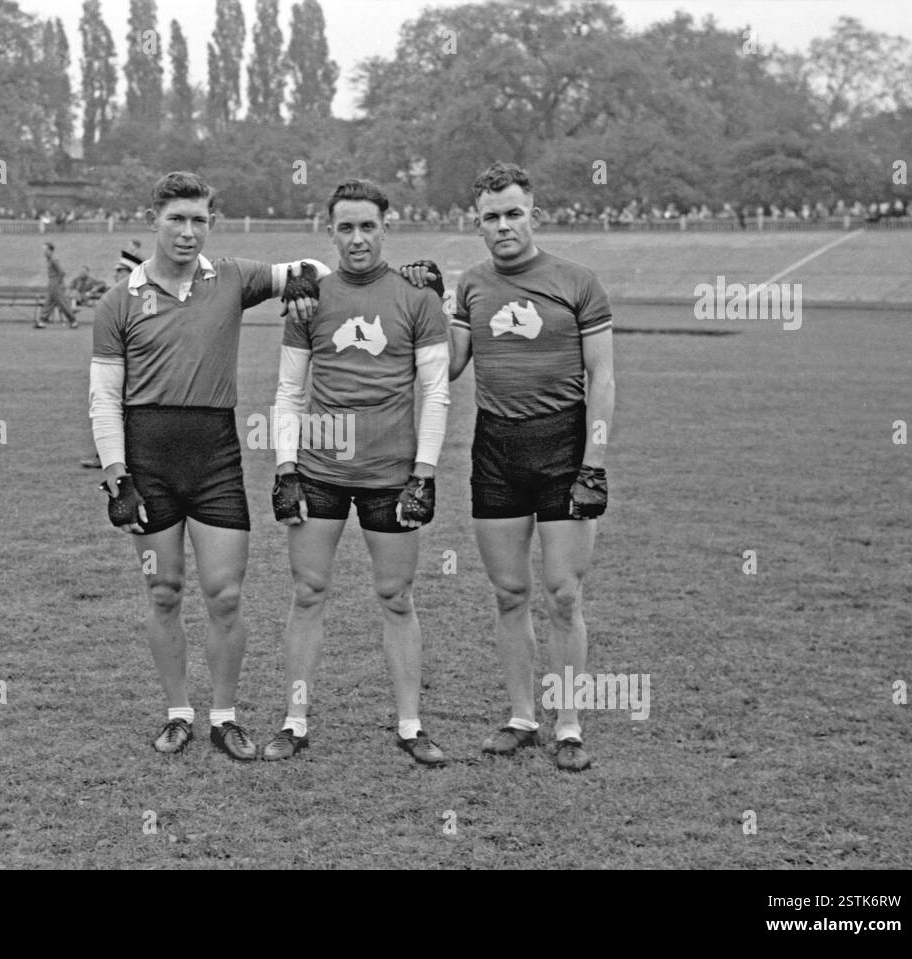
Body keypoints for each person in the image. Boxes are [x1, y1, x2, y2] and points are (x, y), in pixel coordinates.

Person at [88, 171, 328, 761]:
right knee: (164, 590)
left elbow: (315, 269)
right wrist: (118, 478)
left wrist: (302, 280)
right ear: (153, 220)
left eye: (199, 220)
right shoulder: (120, 300)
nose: (188, 232)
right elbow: (103, 398)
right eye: (176, 219)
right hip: (147, 458)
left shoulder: (233, 278)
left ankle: (224, 717)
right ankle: (177, 714)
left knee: (224, 595)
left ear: (211, 224)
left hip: (215, 456)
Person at [261, 179, 452, 766]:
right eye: (345, 227)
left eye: (368, 226)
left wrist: (424, 474)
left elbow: (437, 393)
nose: (358, 238)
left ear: (386, 228)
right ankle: (294, 722)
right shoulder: (309, 299)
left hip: (391, 473)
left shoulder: (418, 298)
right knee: (308, 592)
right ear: (330, 232)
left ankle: (410, 726)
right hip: (318, 469)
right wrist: (285, 467)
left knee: (396, 596)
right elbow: (289, 391)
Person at [447, 162, 614, 772]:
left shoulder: (577, 282)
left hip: (563, 448)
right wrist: (419, 301)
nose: (503, 225)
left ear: (533, 215)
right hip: (495, 450)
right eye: (491, 217)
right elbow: (450, 366)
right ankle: (521, 716)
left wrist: (593, 461)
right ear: (478, 224)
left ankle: (568, 724)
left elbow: (603, 377)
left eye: (513, 213)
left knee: (564, 594)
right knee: (509, 592)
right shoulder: (470, 285)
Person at [35, 242, 77, 329]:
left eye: (45, 250)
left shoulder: (54, 260)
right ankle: (42, 321)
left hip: (57, 286)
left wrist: (56, 283)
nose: (44, 252)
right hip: (52, 285)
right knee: (48, 303)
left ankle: (73, 321)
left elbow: (62, 272)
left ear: (50, 250)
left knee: (63, 304)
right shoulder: (50, 260)